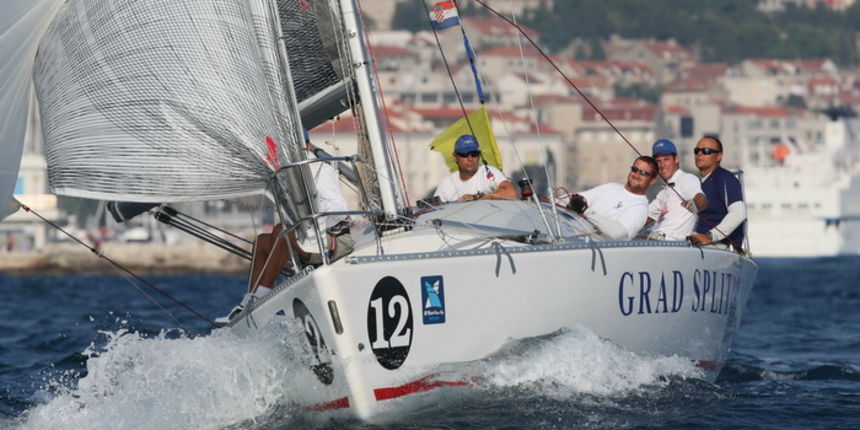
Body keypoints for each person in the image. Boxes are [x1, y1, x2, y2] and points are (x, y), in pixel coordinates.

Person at [216, 129, 353, 325]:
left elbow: (339, 209)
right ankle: (248, 301)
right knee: (263, 241)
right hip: (310, 240)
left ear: (303, 145)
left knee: (283, 231)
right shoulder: (290, 172)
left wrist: (307, 206)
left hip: (336, 241)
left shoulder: (318, 168)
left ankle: (260, 299)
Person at [566, 156, 658, 240]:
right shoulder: (611, 187)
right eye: (634, 169)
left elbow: (618, 233)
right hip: (567, 235)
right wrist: (553, 200)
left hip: (589, 247)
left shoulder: (640, 207)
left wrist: (586, 211)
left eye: (643, 173)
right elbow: (574, 198)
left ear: (652, 181)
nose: (636, 175)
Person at [689, 136, 747, 250]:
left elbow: (739, 213)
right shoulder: (697, 183)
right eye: (697, 151)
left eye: (706, 151)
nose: (699, 154)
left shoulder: (725, 178)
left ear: (718, 156)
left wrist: (710, 236)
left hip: (718, 248)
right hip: (695, 245)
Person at [644, 139, 708, 241]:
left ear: (676, 159)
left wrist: (695, 205)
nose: (662, 165)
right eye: (658, 161)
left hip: (671, 245)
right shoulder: (664, 192)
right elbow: (646, 218)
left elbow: (701, 199)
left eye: (666, 159)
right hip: (654, 242)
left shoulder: (686, 179)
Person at [434, 134, 516, 202]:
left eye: (474, 154)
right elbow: (432, 210)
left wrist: (478, 198)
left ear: (479, 155)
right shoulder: (446, 184)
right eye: (464, 154)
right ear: (455, 157)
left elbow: (511, 193)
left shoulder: (488, 172)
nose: (470, 159)